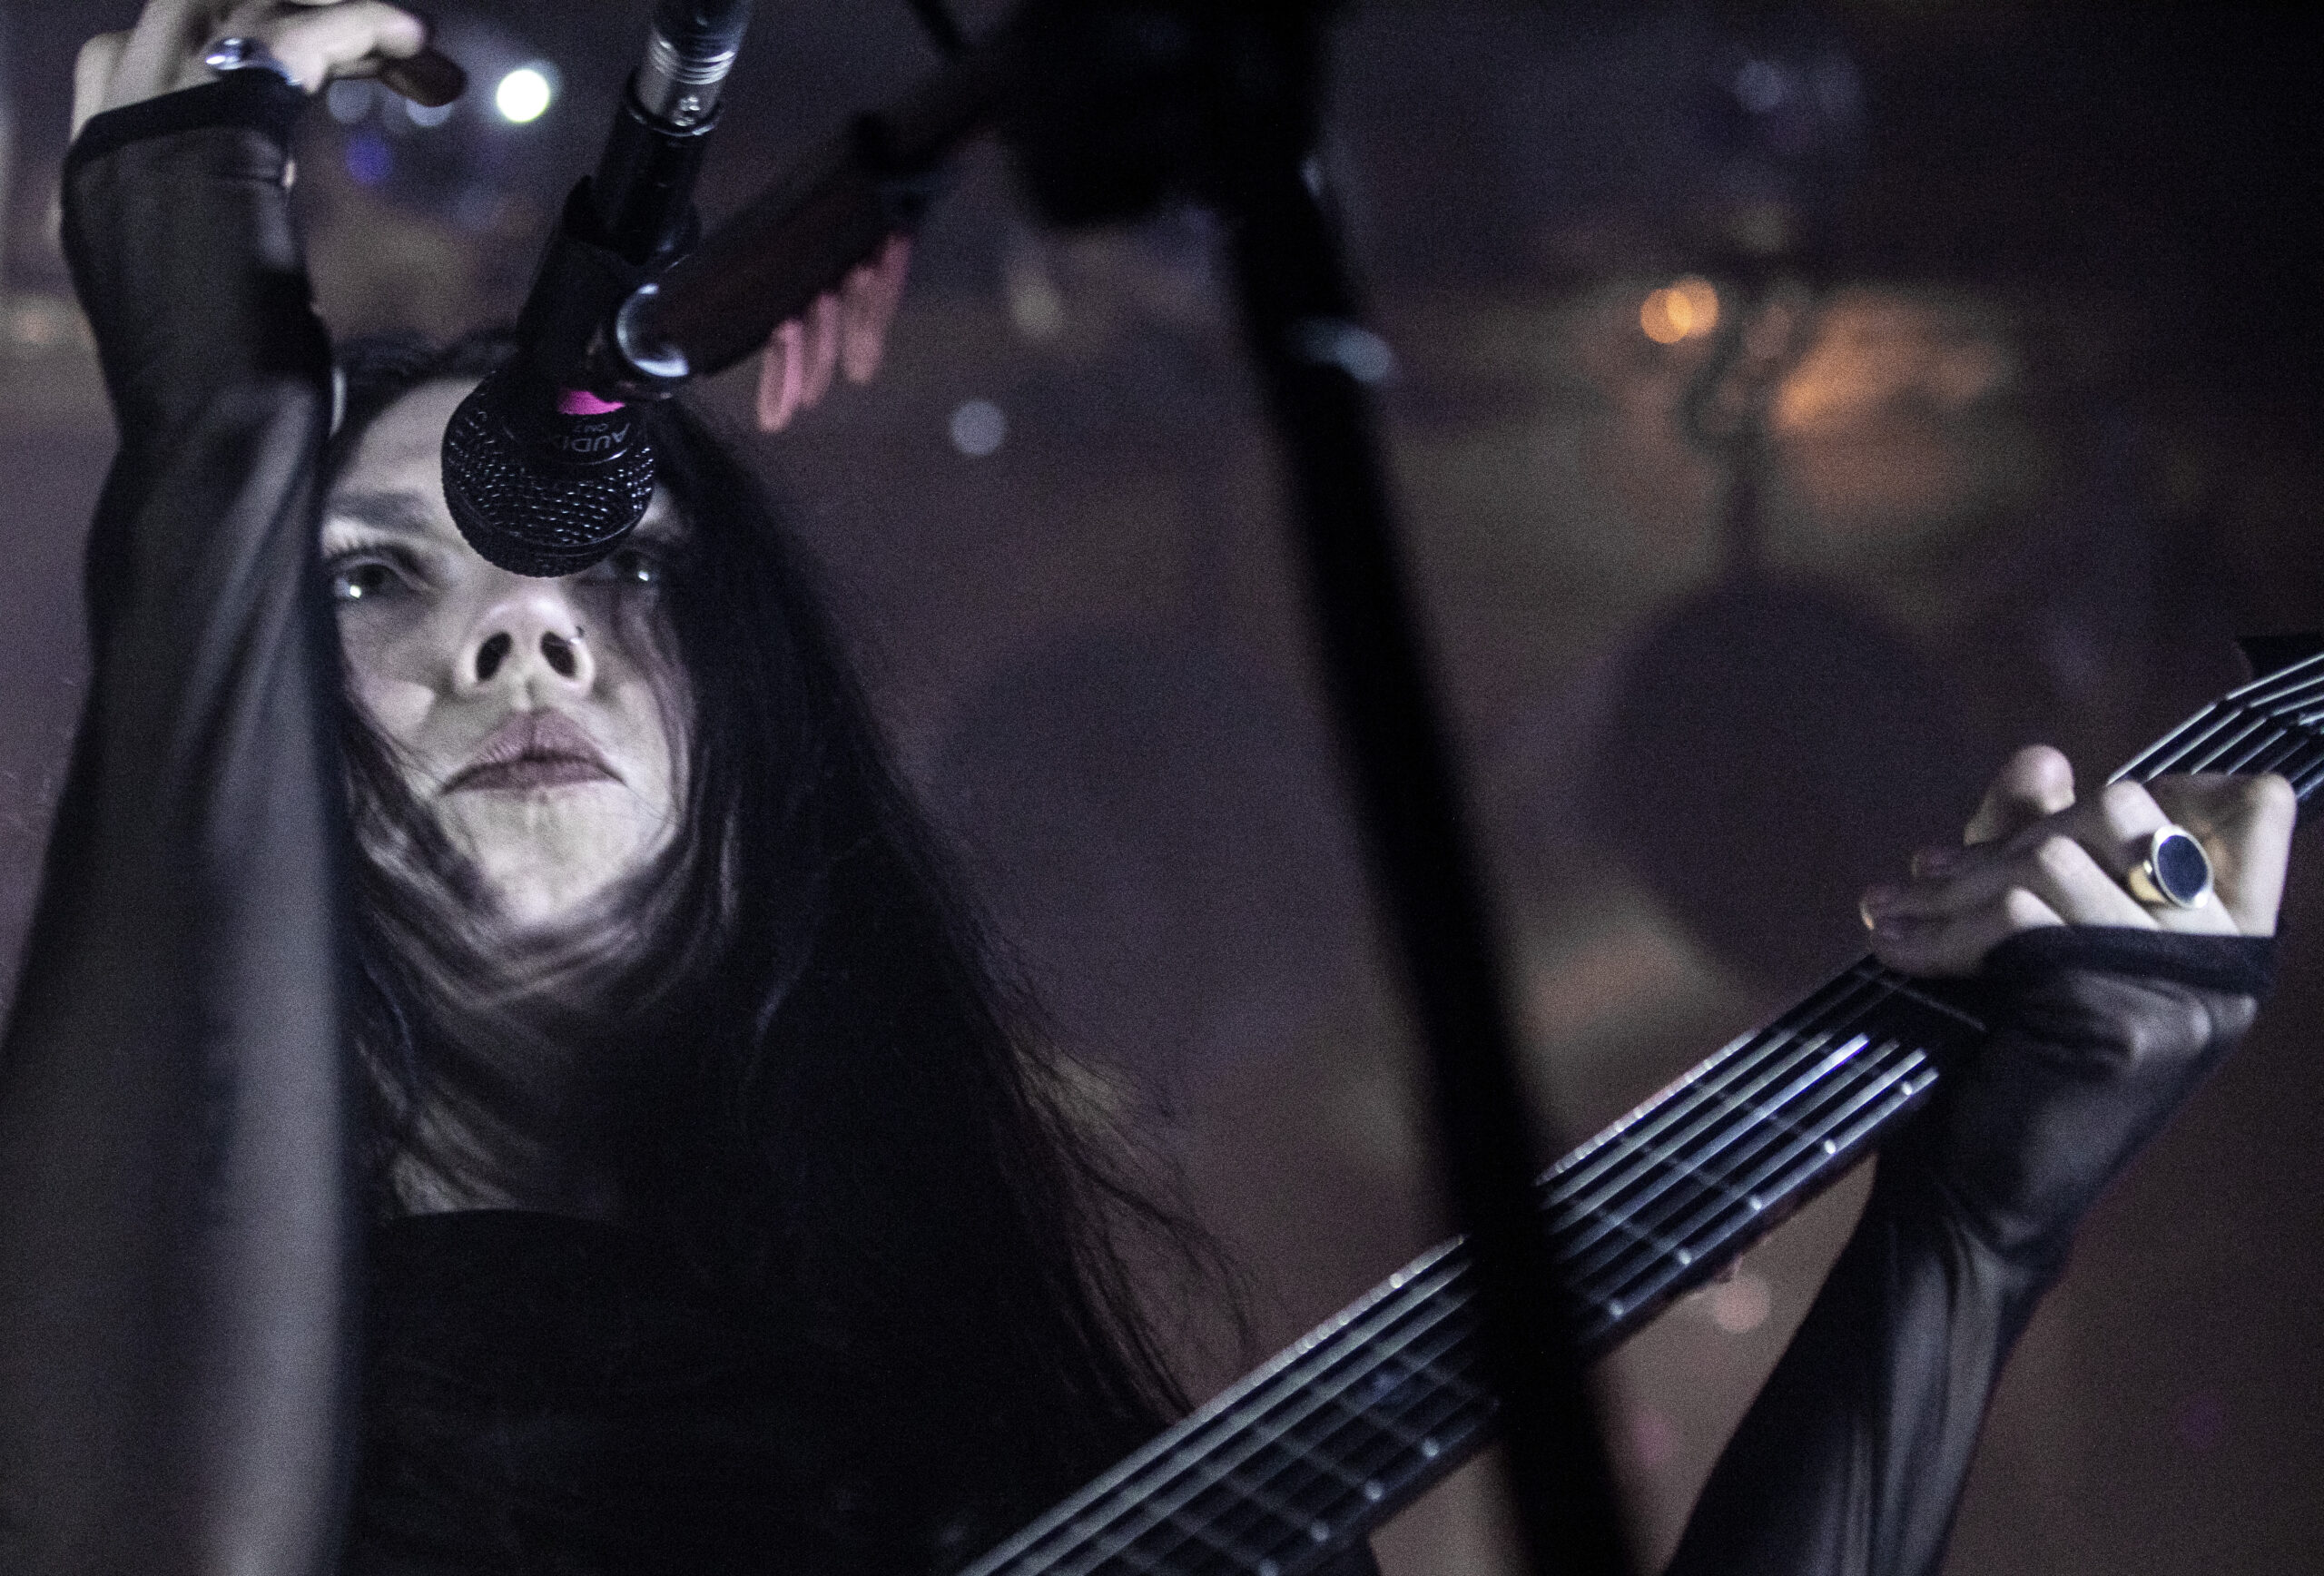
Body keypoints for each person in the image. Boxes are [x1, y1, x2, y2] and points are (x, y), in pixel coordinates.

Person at [0, 4, 2297, 1575]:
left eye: (610, 553)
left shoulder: (984, 1385)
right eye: (364, 574)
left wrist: (1965, 1224)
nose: (525, 629)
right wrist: (212, 422)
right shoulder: (97, 1357)